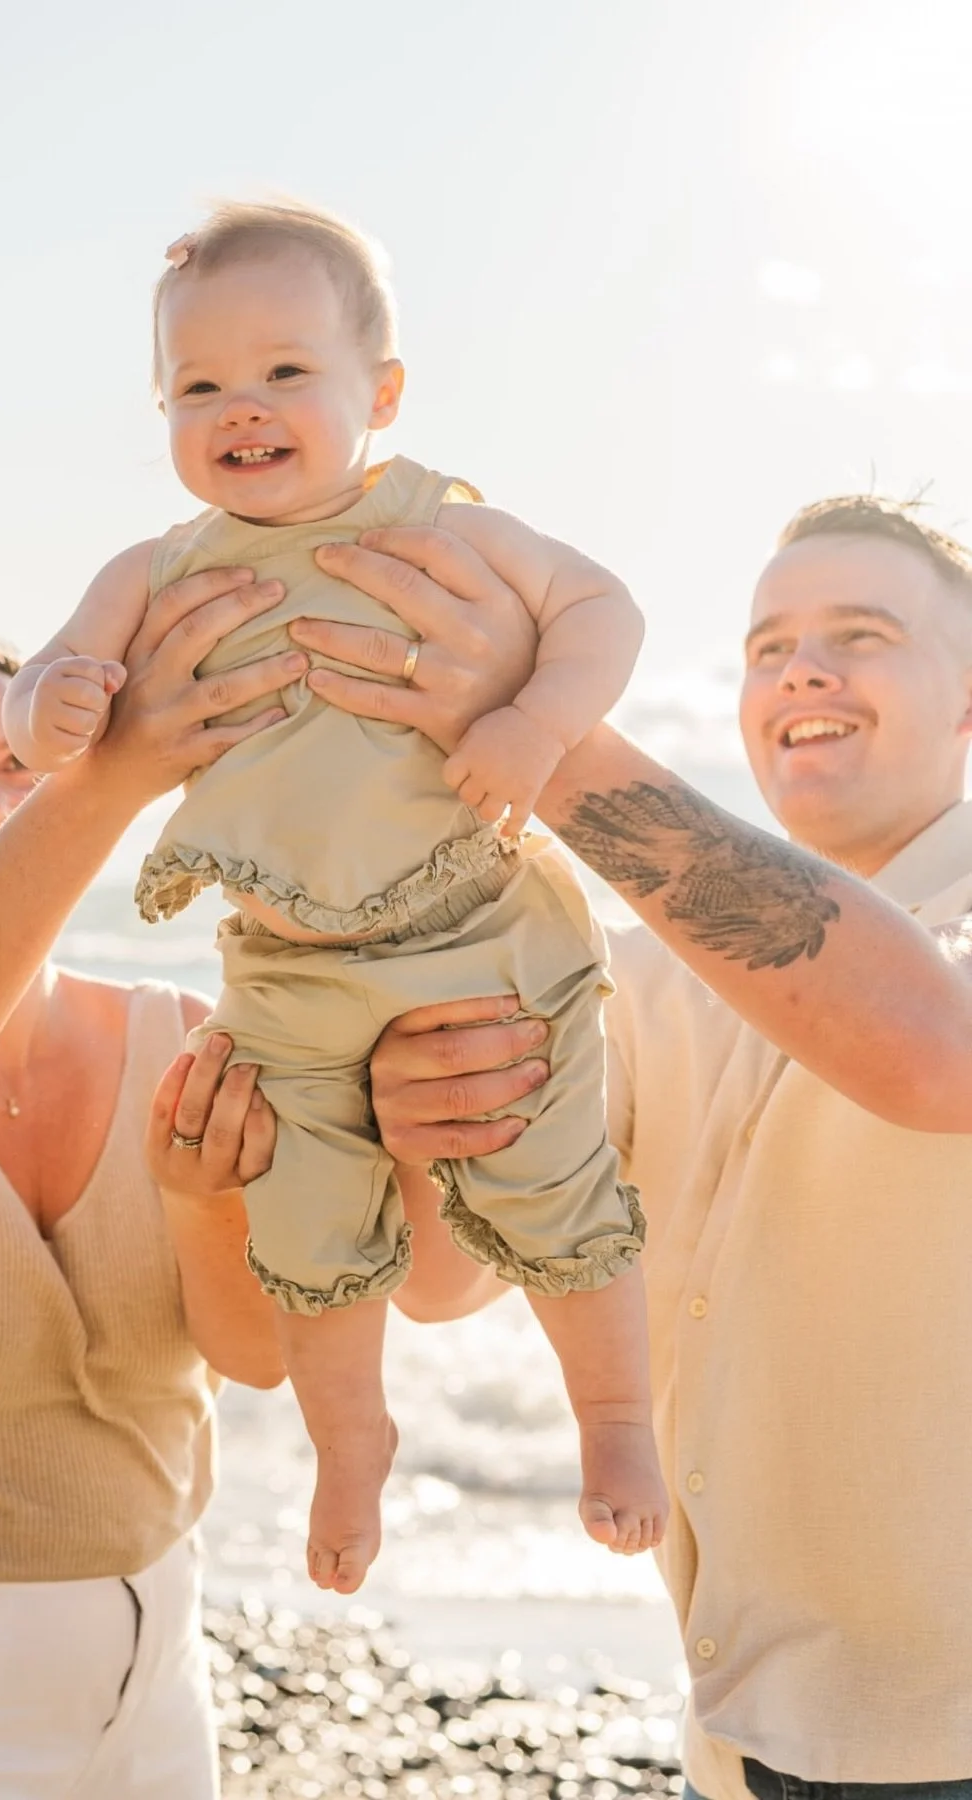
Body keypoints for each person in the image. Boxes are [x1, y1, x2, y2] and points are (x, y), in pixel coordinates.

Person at [0, 601, 555, 1800]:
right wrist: (105, 779)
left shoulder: (190, 1034)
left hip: (153, 1648)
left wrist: (202, 1207)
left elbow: (260, 1355)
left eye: (20, 767)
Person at [3, 200, 665, 1598]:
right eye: (199, 386)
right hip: (291, 972)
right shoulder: (155, 572)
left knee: (551, 1180)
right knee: (309, 1228)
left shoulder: (444, 526)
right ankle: (349, 1444)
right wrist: (51, 703)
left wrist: (539, 723)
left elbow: (606, 608)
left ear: (385, 392)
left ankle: (615, 1424)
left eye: (285, 371)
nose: (240, 406)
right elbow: (38, 692)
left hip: (478, 931)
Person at [304, 500, 972, 1799]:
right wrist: (416, 1126)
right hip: (734, 1728)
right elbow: (448, 1282)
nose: (801, 670)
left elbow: (930, 1051)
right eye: (767, 646)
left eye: (860, 635)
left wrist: (540, 733)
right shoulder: (636, 980)